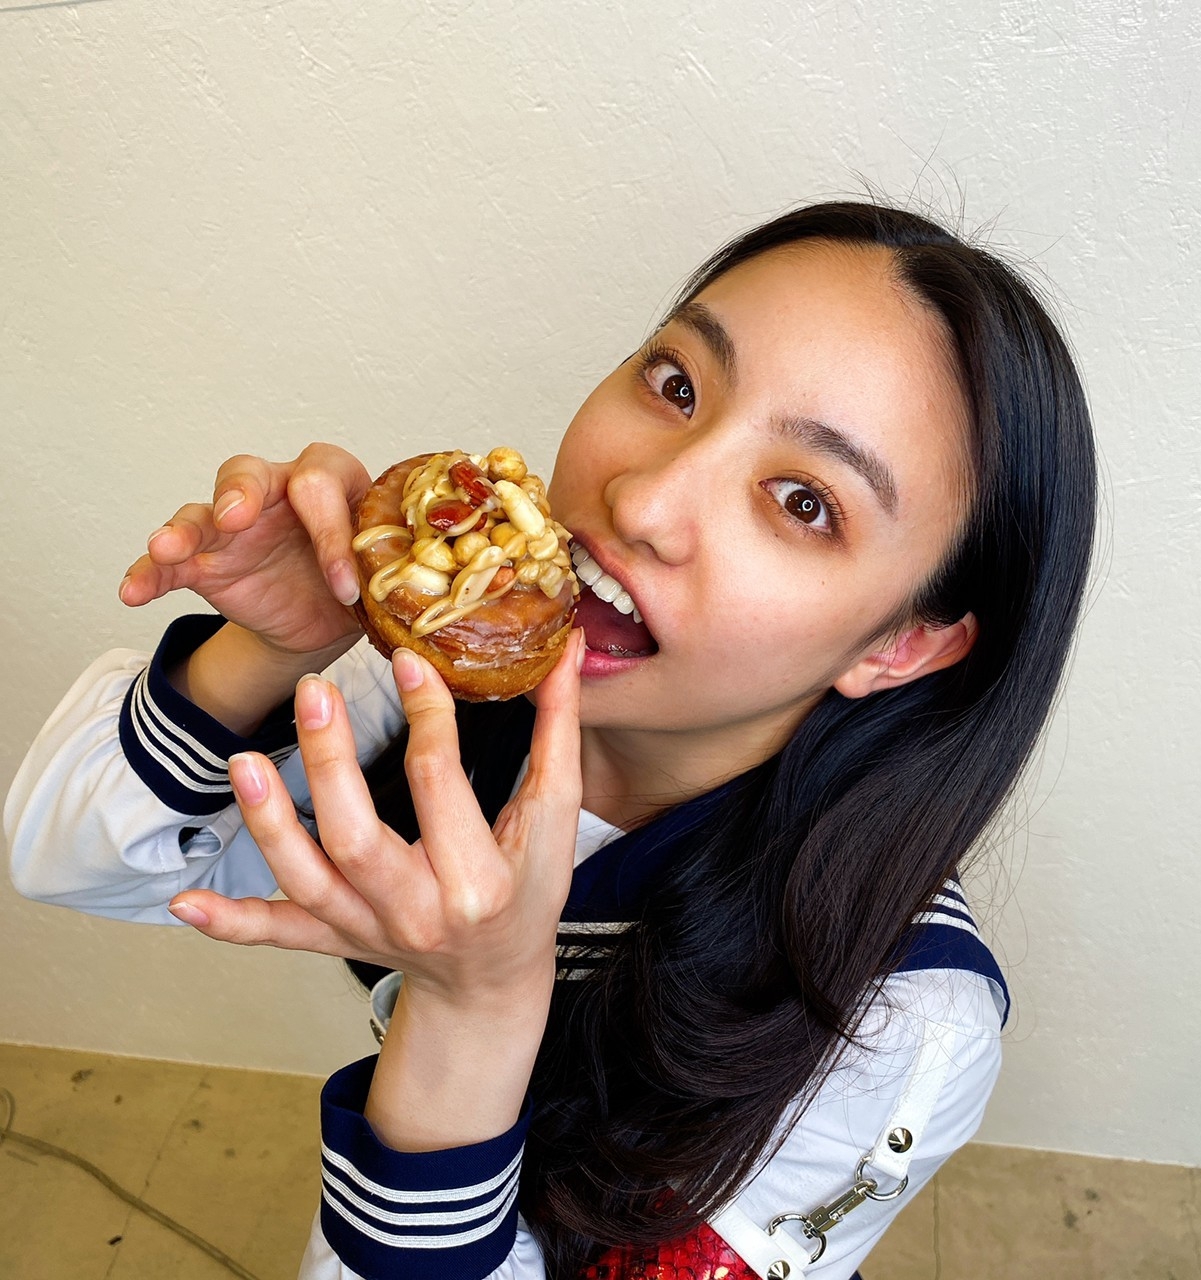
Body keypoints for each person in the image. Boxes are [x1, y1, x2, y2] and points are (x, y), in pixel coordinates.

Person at [6, 200, 1097, 1280]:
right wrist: (263, 650)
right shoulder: (435, 685)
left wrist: (471, 1015)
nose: (642, 500)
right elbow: (68, 863)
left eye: (804, 502)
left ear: (902, 645)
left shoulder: (900, 1018)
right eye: (676, 385)